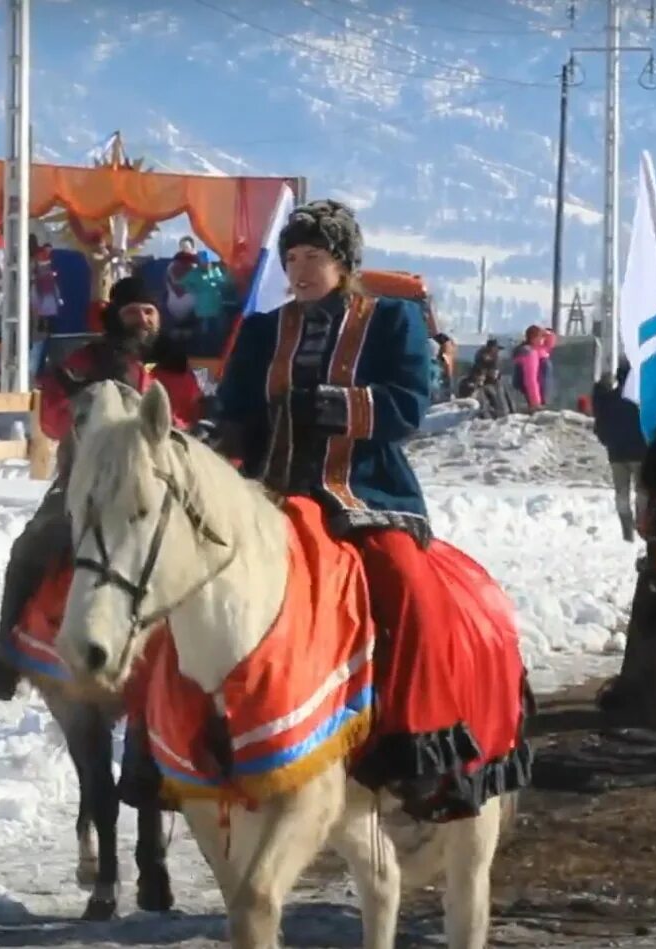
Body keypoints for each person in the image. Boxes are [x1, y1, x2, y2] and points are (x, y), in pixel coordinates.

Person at [214, 199, 527, 814]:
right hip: (265, 492)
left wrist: (325, 403)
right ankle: (174, 743)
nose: (301, 269)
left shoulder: (392, 321)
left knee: (409, 590)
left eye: (316, 257)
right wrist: (210, 439)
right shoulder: (260, 330)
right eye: (292, 258)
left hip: (363, 491)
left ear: (345, 262)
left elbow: (408, 407)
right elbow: (236, 411)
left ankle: (414, 743)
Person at [0, 276, 199, 700]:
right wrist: (88, 399)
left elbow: (195, 424)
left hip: (163, 487)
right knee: (33, 545)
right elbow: (52, 419)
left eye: (149, 312)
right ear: (116, 315)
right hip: (87, 481)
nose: (142, 320)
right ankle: (5, 658)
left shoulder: (177, 370)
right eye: (133, 311)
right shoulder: (86, 361)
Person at [592, 364, 646, 542]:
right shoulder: (640, 400)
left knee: (621, 494)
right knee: (642, 493)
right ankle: (642, 528)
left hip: (616, 455)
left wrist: (609, 442)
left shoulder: (609, 400)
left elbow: (600, 427)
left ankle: (627, 532)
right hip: (640, 453)